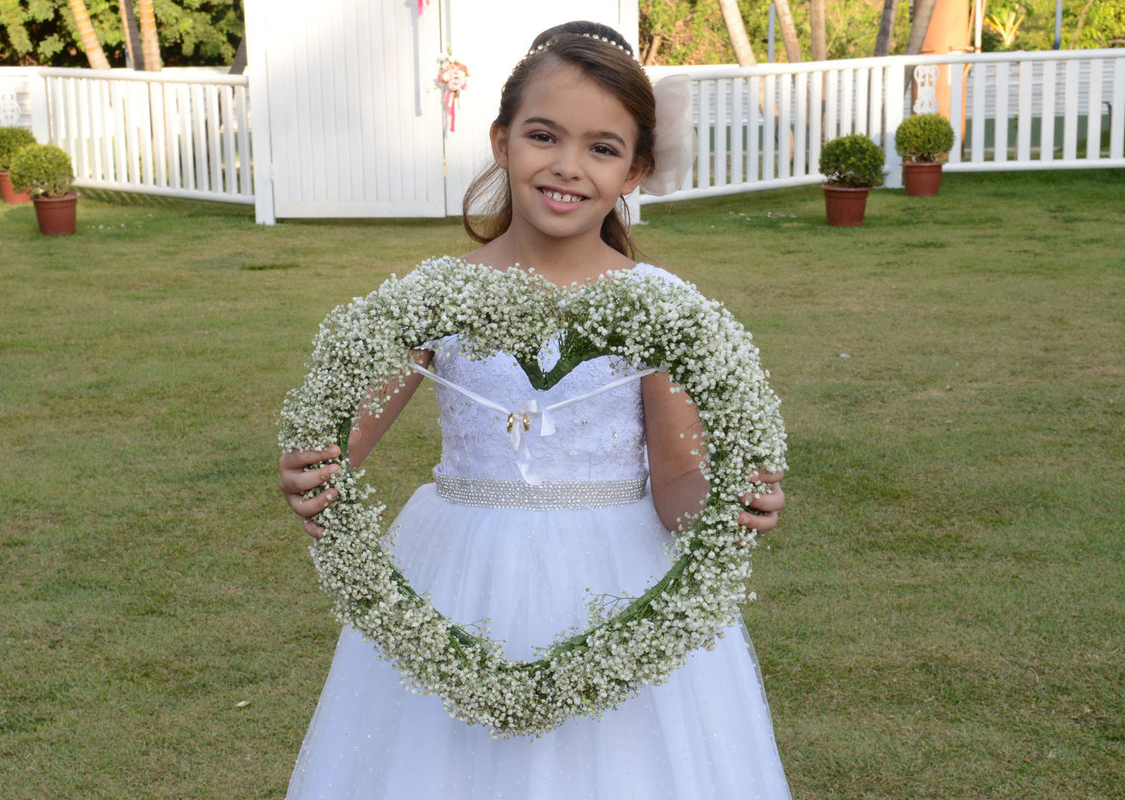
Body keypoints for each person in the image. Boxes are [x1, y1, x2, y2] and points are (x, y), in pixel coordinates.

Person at [277, 20, 791, 799]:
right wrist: (313, 469)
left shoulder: (655, 308)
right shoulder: (435, 298)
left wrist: (728, 505)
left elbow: (679, 479)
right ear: (501, 141)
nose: (567, 167)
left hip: (615, 580)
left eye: (602, 148)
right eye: (544, 136)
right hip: (459, 565)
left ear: (636, 170)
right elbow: (340, 441)